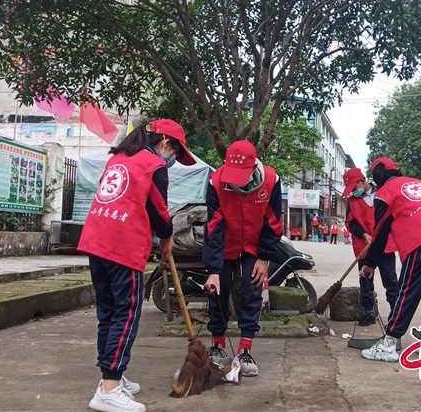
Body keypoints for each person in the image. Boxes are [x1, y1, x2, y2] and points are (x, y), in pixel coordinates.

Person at [78, 119, 196, 412]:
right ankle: (109, 388)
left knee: (108, 312)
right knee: (126, 314)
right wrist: (167, 238)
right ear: (166, 143)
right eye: (176, 154)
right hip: (123, 245)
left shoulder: (119, 157)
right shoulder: (153, 166)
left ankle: (112, 375)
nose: (173, 161)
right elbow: (158, 210)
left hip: (96, 240)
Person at [360, 157, 421, 362]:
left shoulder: (385, 193)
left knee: (407, 292)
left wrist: (370, 263)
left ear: (377, 176)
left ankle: (388, 344)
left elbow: (379, 232)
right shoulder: (419, 183)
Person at [203, 140, 283, 377]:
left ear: (253, 167)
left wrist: (263, 257)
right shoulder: (216, 182)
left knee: (253, 290)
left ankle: (245, 349)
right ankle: (217, 346)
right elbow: (213, 226)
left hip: (255, 244)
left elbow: (274, 221)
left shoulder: (271, 180)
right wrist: (214, 269)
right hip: (226, 242)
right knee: (218, 290)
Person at [343, 168, 398, 327]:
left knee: (391, 281)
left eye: (354, 187)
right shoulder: (352, 202)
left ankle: (395, 314)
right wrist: (363, 233)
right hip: (364, 247)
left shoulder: (383, 193)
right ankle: (368, 313)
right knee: (365, 282)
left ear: (361, 181)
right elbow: (350, 224)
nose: (353, 192)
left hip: (385, 246)